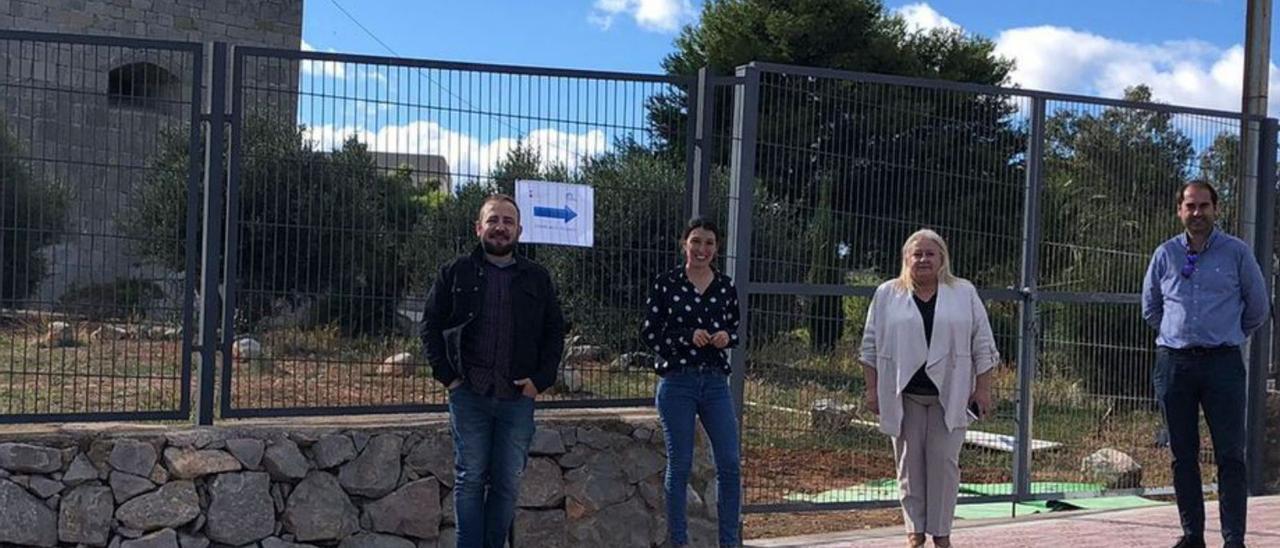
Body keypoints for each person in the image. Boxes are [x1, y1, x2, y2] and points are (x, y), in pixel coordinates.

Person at [421, 194, 565, 548]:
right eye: (493, 220)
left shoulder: (537, 277)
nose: (500, 227)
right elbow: (430, 327)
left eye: (507, 221)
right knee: (470, 480)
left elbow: (554, 332)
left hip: (517, 397)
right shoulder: (455, 272)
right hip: (469, 394)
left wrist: (540, 381)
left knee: (508, 483)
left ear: (519, 230)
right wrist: (449, 379)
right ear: (479, 227)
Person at [1142, 180, 1267, 548]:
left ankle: (1233, 540)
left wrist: (1224, 333)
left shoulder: (1237, 253)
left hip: (1222, 365)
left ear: (1216, 209)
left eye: (1204, 206)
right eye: (1190, 206)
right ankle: (1192, 536)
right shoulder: (1165, 255)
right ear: (1180, 210)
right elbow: (1151, 309)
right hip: (1175, 364)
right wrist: (1178, 335)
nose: (1197, 214)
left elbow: (1257, 308)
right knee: (1183, 455)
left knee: (1230, 454)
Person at [858, 229, 999, 548]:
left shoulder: (963, 292)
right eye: (916, 254)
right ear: (906, 258)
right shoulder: (887, 293)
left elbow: (983, 342)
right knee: (908, 464)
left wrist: (983, 389)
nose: (923, 259)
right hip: (904, 394)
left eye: (929, 254)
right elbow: (869, 345)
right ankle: (914, 531)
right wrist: (872, 390)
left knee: (944, 464)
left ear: (942, 258)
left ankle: (942, 532)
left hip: (950, 394)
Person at [641, 217, 743, 548]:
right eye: (696, 241)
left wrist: (726, 337)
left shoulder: (725, 287)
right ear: (684, 243)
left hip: (715, 384)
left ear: (716, 248)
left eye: (709, 243)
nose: (702, 249)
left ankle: (729, 541)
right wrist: (687, 337)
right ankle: (679, 541)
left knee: (729, 463)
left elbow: (736, 331)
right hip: (677, 383)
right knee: (680, 464)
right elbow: (649, 332)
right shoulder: (666, 283)